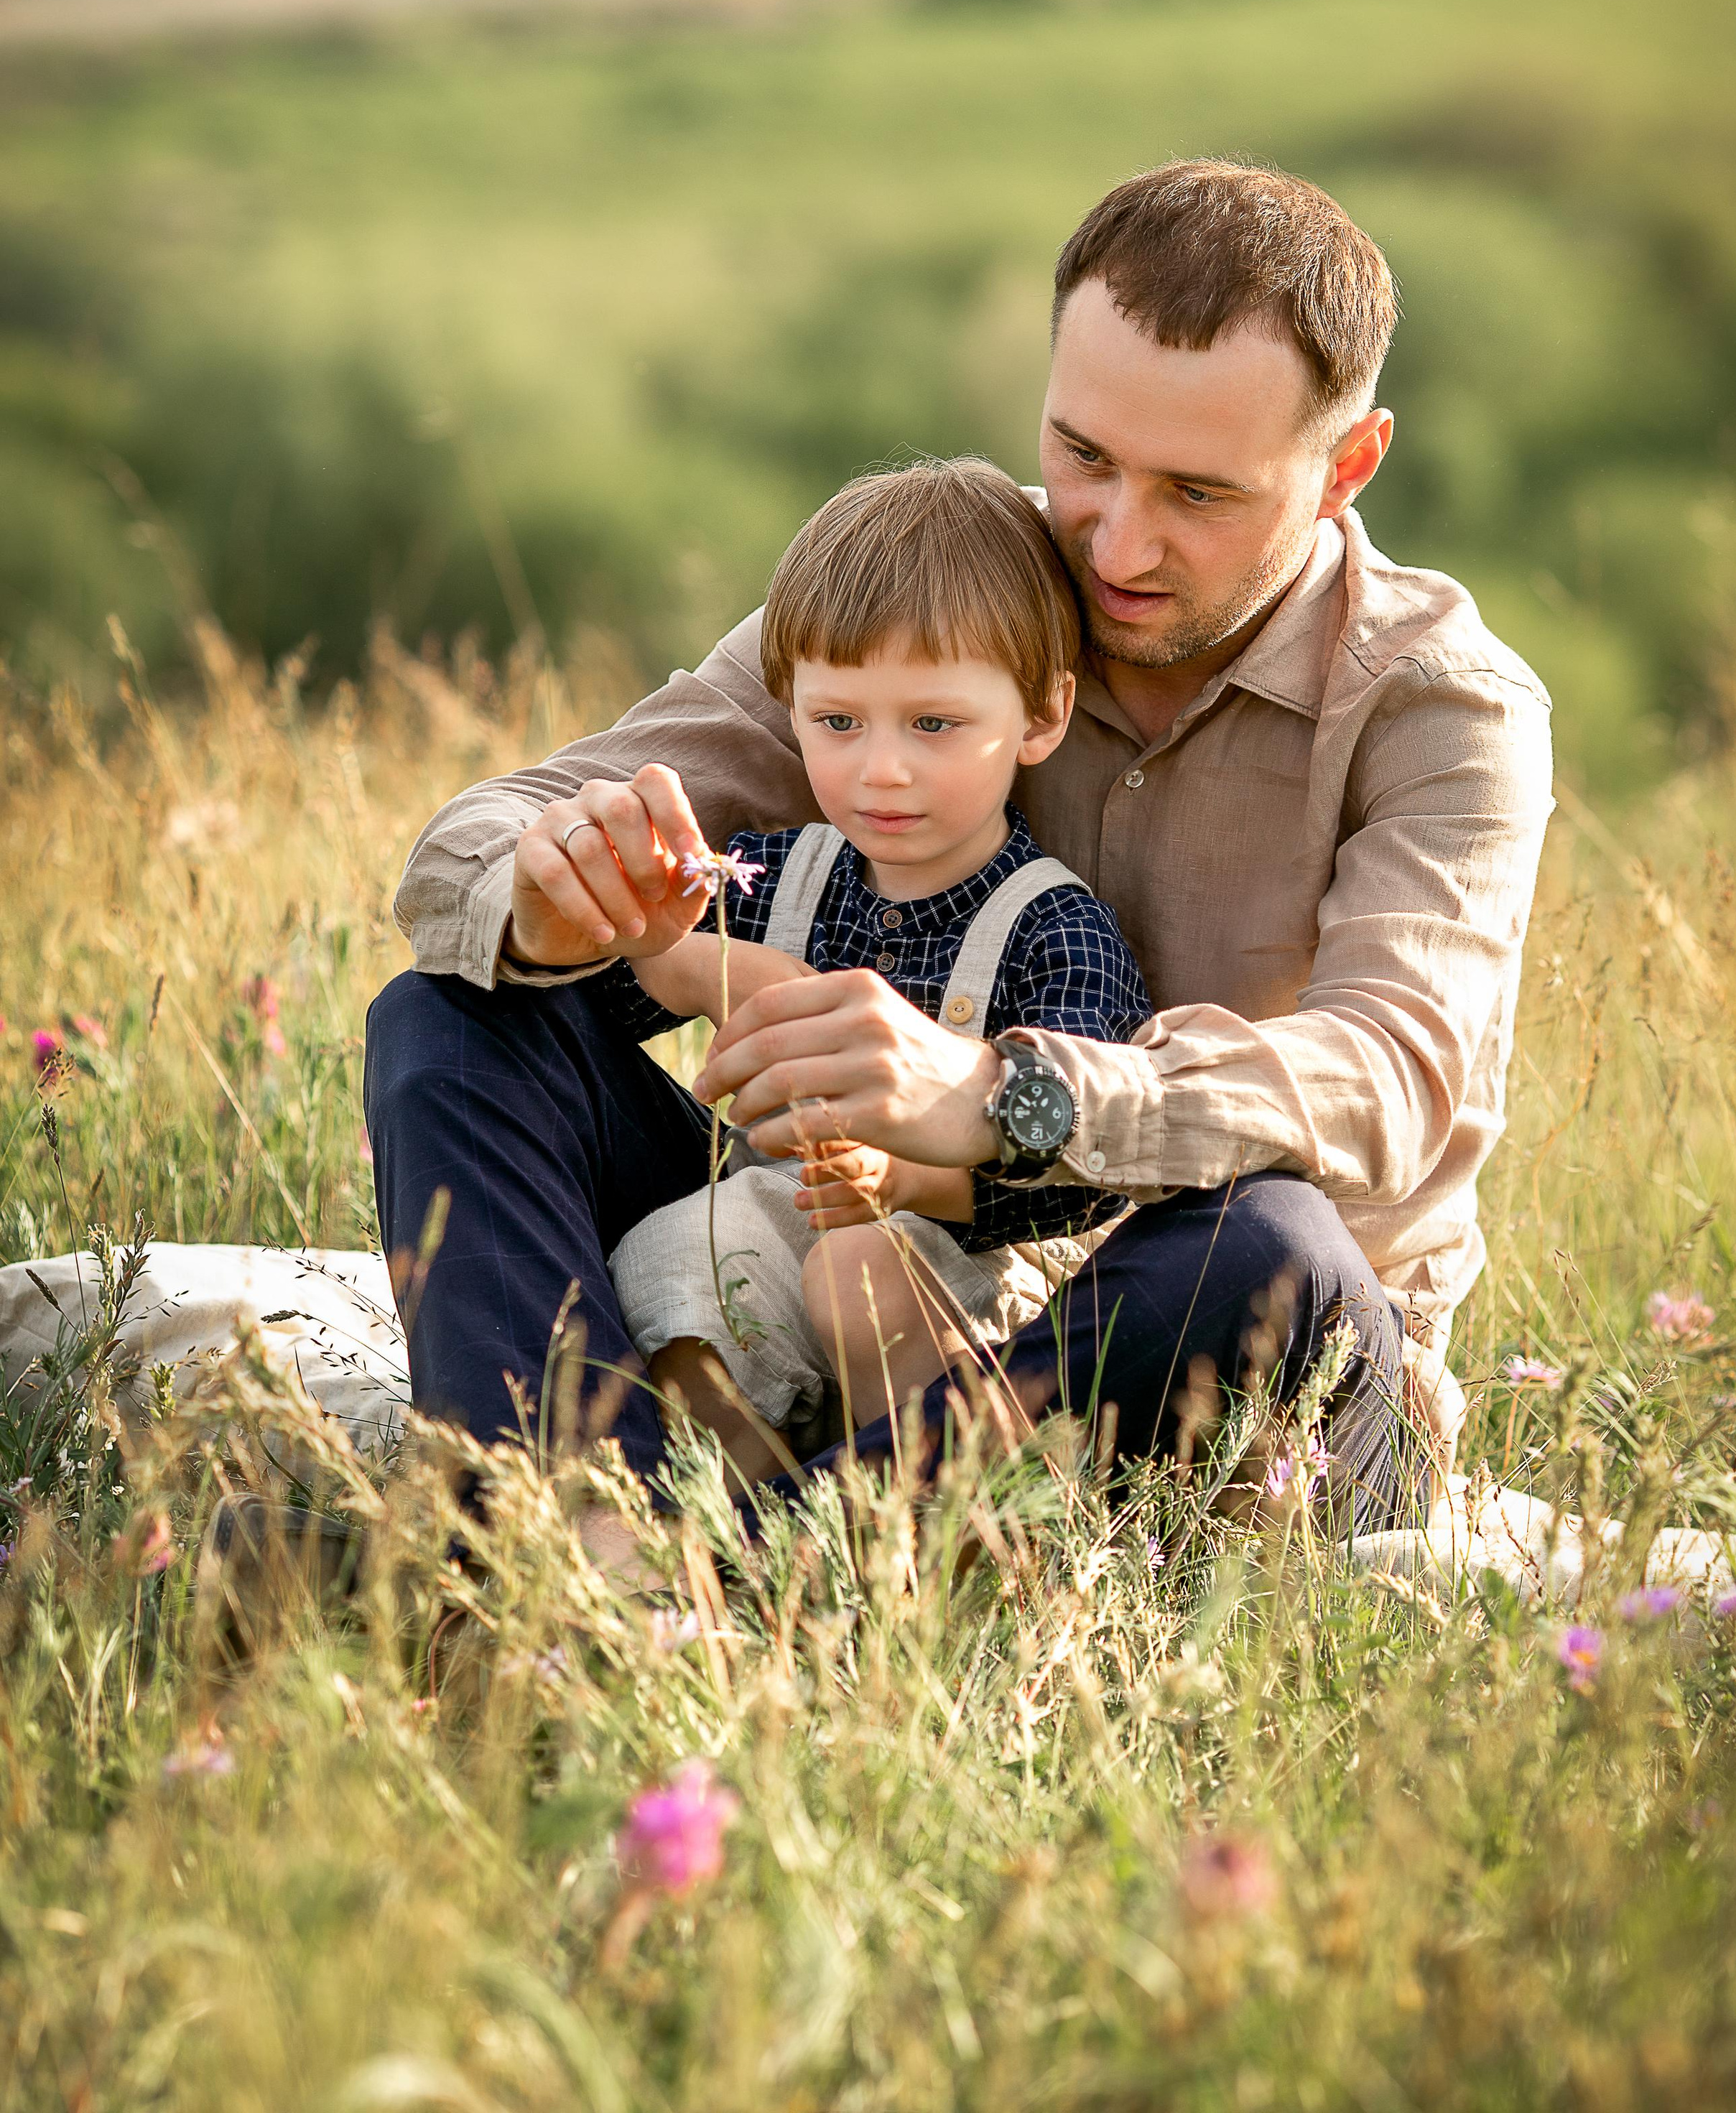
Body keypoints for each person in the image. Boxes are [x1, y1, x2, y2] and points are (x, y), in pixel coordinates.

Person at [367, 159, 1554, 1534]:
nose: (1118, 541)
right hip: (849, 1254)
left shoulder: (1444, 708)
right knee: (454, 1017)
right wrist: (548, 888)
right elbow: (480, 836)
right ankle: (585, 1530)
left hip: (1211, 1352)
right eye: (1084, 457)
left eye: (1199, 496)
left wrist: (1006, 1099)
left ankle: (685, 1587)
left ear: (1346, 465)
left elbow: (1390, 1077)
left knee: (1271, 1241)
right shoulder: (947, 583)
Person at [605, 456, 1151, 1485]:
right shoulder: (775, 873)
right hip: (782, 1214)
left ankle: (917, 1523)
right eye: (838, 723)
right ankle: (754, 1520)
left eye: (933, 724)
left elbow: (1085, 1173)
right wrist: (663, 943)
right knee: (670, 1258)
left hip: (976, 1272)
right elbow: (626, 993)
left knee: (862, 1268)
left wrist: (904, 1175)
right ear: (792, 708)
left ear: (1041, 716)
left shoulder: (1055, 927)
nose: (881, 768)